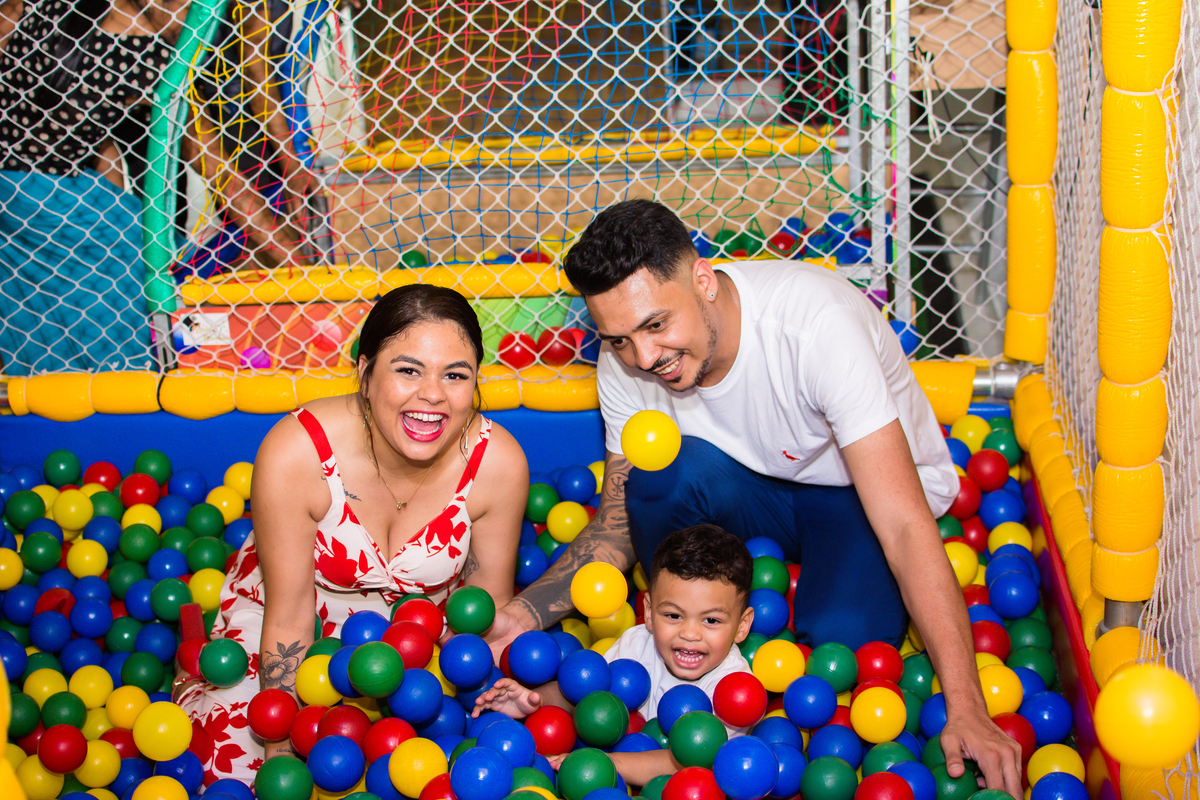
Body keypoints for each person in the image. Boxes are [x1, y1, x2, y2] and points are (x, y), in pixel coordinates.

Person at [487, 200, 1023, 796]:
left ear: (704, 281)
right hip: (750, 488)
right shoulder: (627, 364)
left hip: (857, 493)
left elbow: (901, 522)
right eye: (618, 339)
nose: (643, 357)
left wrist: (967, 704)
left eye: (657, 325)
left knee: (839, 656)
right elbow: (617, 521)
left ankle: (752, 630)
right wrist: (525, 612)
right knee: (661, 474)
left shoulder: (813, 326)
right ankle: (690, 639)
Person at [176, 285, 530, 783]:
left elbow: (481, 611)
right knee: (232, 769)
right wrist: (281, 745)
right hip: (292, 616)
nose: (432, 394)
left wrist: (483, 689)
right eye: (408, 369)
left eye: (455, 375)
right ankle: (195, 670)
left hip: (414, 641)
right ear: (365, 373)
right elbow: (289, 618)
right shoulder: (296, 452)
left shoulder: (497, 464)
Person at [475, 525, 755, 786]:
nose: (690, 634)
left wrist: (606, 763)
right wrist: (534, 701)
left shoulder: (737, 690)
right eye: (673, 615)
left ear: (742, 626)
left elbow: (690, 764)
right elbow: (588, 698)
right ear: (647, 612)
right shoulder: (637, 644)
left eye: (711, 621)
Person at [0, 0, 189, 373]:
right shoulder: (152, 58)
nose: (194, 19)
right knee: (148, 263)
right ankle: (146, 369)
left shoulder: (43, 8)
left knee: (33, 291)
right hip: (38, 188)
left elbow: (98, 141)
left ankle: (53, 381)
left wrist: (117, 199)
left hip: (28, 185)